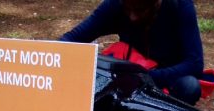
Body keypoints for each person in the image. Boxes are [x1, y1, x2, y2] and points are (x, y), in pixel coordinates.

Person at [60, 0, 204, 105]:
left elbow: (195, 63)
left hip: (164, 82)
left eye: (140, 10)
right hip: (127, 82)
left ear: (157, 3)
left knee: (190, 86)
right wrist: (52, 58)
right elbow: (72, 39)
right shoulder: (117, 4)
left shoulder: (180, 6)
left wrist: (146, 77)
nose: (133, 17)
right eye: (128, 9)